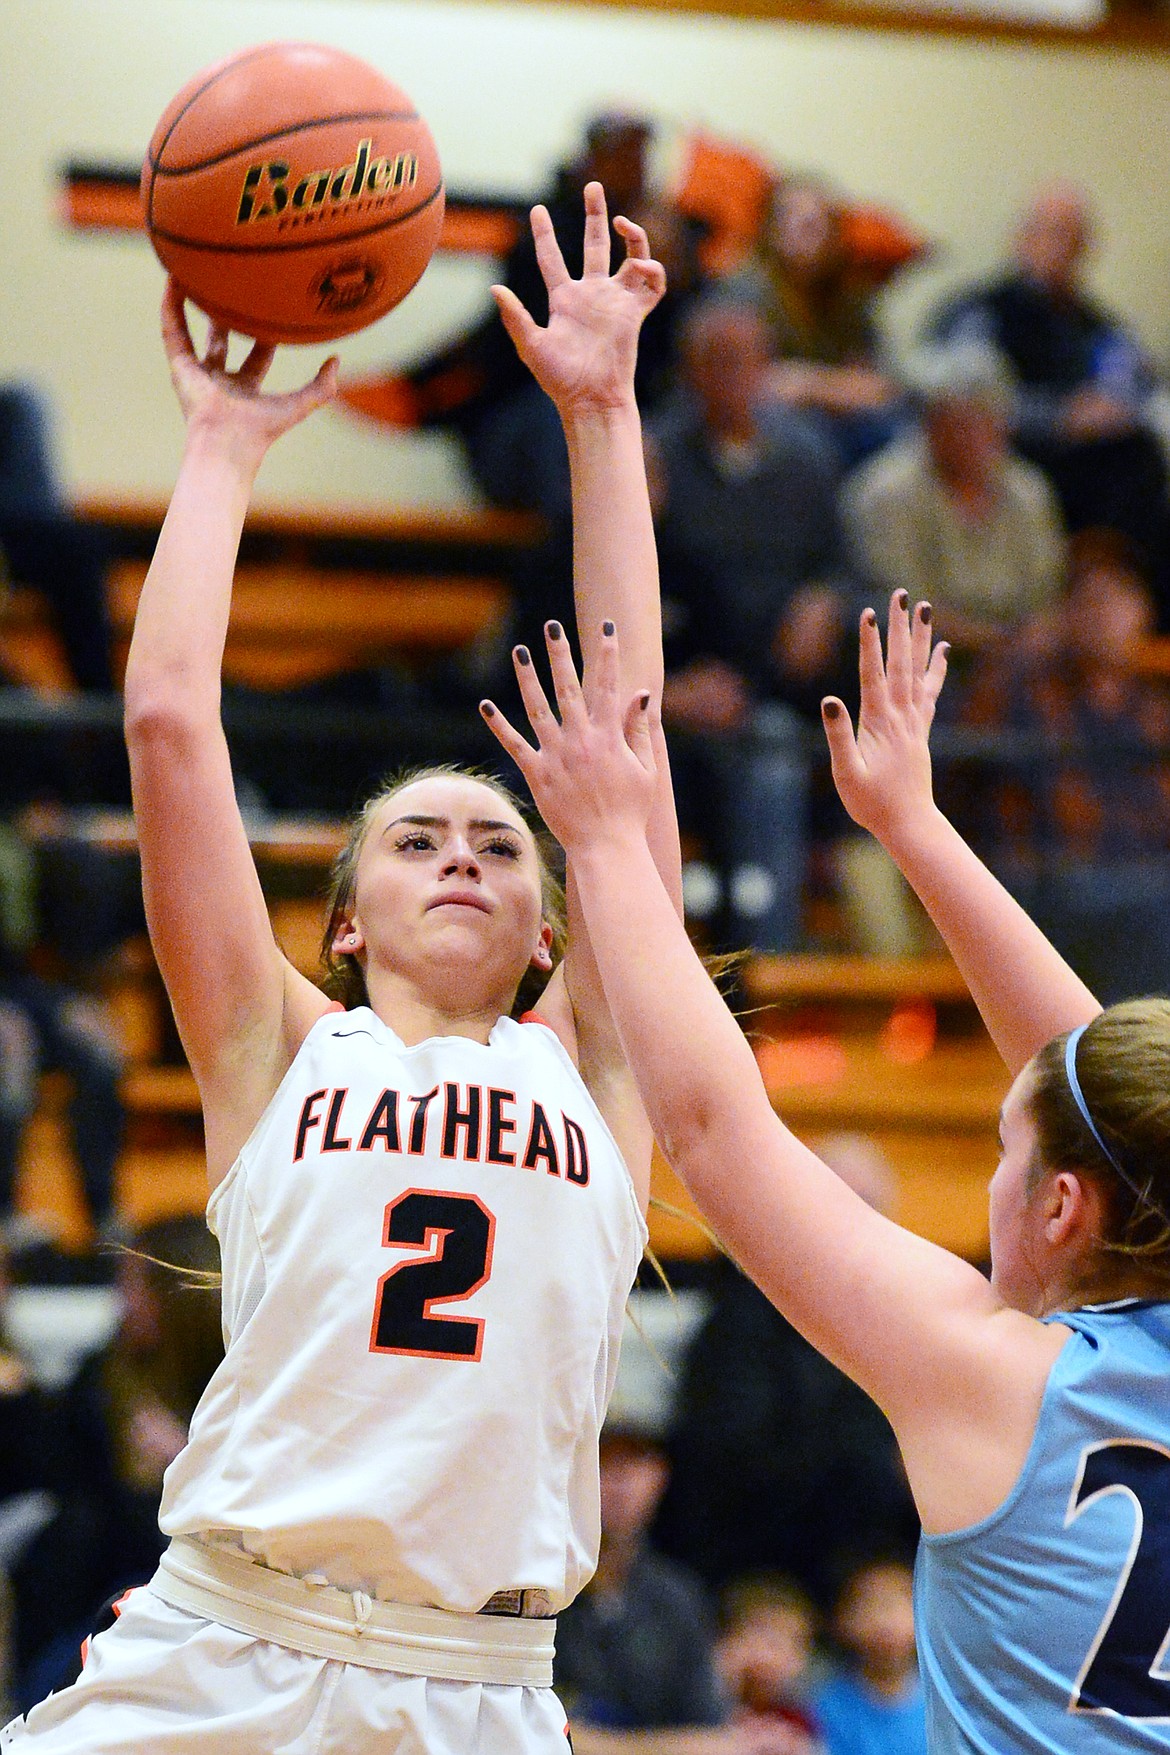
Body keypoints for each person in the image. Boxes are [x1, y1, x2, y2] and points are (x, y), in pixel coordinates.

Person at [1, 183, 681, 1755]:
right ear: (347, 920)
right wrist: (226, 445)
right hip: (225, 1644)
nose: (464, 852)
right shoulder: (275, 1047)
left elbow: (627, 750)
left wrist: (599, 413)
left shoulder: (597, 1063)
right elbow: (172, 718)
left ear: (558, 925)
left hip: (482, 1680)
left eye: (503, 844)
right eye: (418, 838)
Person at [483, 594, 1170, 1751]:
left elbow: (711, 1130)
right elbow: (1107, 1099)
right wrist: (914, 825)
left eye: (1007, 1151)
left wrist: (603, 842)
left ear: (1062, 1204)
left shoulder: (997, 1377)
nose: (994, 1179)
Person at [651, 298, 856, 950]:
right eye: (716, 361)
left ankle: (771, 969)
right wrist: (668, 691)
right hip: (667, 697)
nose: (733, 374)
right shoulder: (655, 457)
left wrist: (825, 597)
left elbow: (843, 564)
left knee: (773, 759)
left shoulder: (808, 459)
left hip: (774, 689)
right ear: (689, 371)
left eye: (746, 360)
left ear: (768, 367)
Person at [930, 182, 1170, 607]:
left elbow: (1143, 389)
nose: (1062, 248)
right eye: (1051, 232)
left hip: (1098, 462)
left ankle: (1127, 610)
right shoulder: (983, 311)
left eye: (1074, 238)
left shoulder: (1098, 324)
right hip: (1014, 455)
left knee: (1142, 455)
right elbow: (956, 403)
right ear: (1023, 237)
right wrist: (1061, 416)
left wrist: (1116, 411)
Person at [844, 342, 1064, 663]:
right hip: (916, 662)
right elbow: (899, 609)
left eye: (986, 420)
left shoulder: (1029, 491)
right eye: (959, 423)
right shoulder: (885, 492)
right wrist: (995, 645)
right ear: (931, 425)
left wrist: (1034, 638)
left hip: (1019, 662)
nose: (973, 436)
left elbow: (1047, 595)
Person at [811, 1557, 925, 1755]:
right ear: (842, 1620)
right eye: (868, 1604)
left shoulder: (948, 1701)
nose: (885, 1621)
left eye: (897, 1603)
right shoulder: (821, 1705)